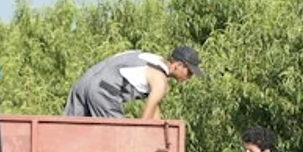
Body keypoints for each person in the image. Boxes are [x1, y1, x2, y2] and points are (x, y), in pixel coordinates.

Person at [63, 46, 204, 119]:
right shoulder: (160, 81)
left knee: (67, 131)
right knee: (117, 136)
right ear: (178, 65)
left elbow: (154, 110)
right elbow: (145, 119)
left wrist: (161, 130)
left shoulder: (150, 58)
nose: (190, 76)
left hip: (82, 83)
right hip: (103, 92)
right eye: (189, 71)